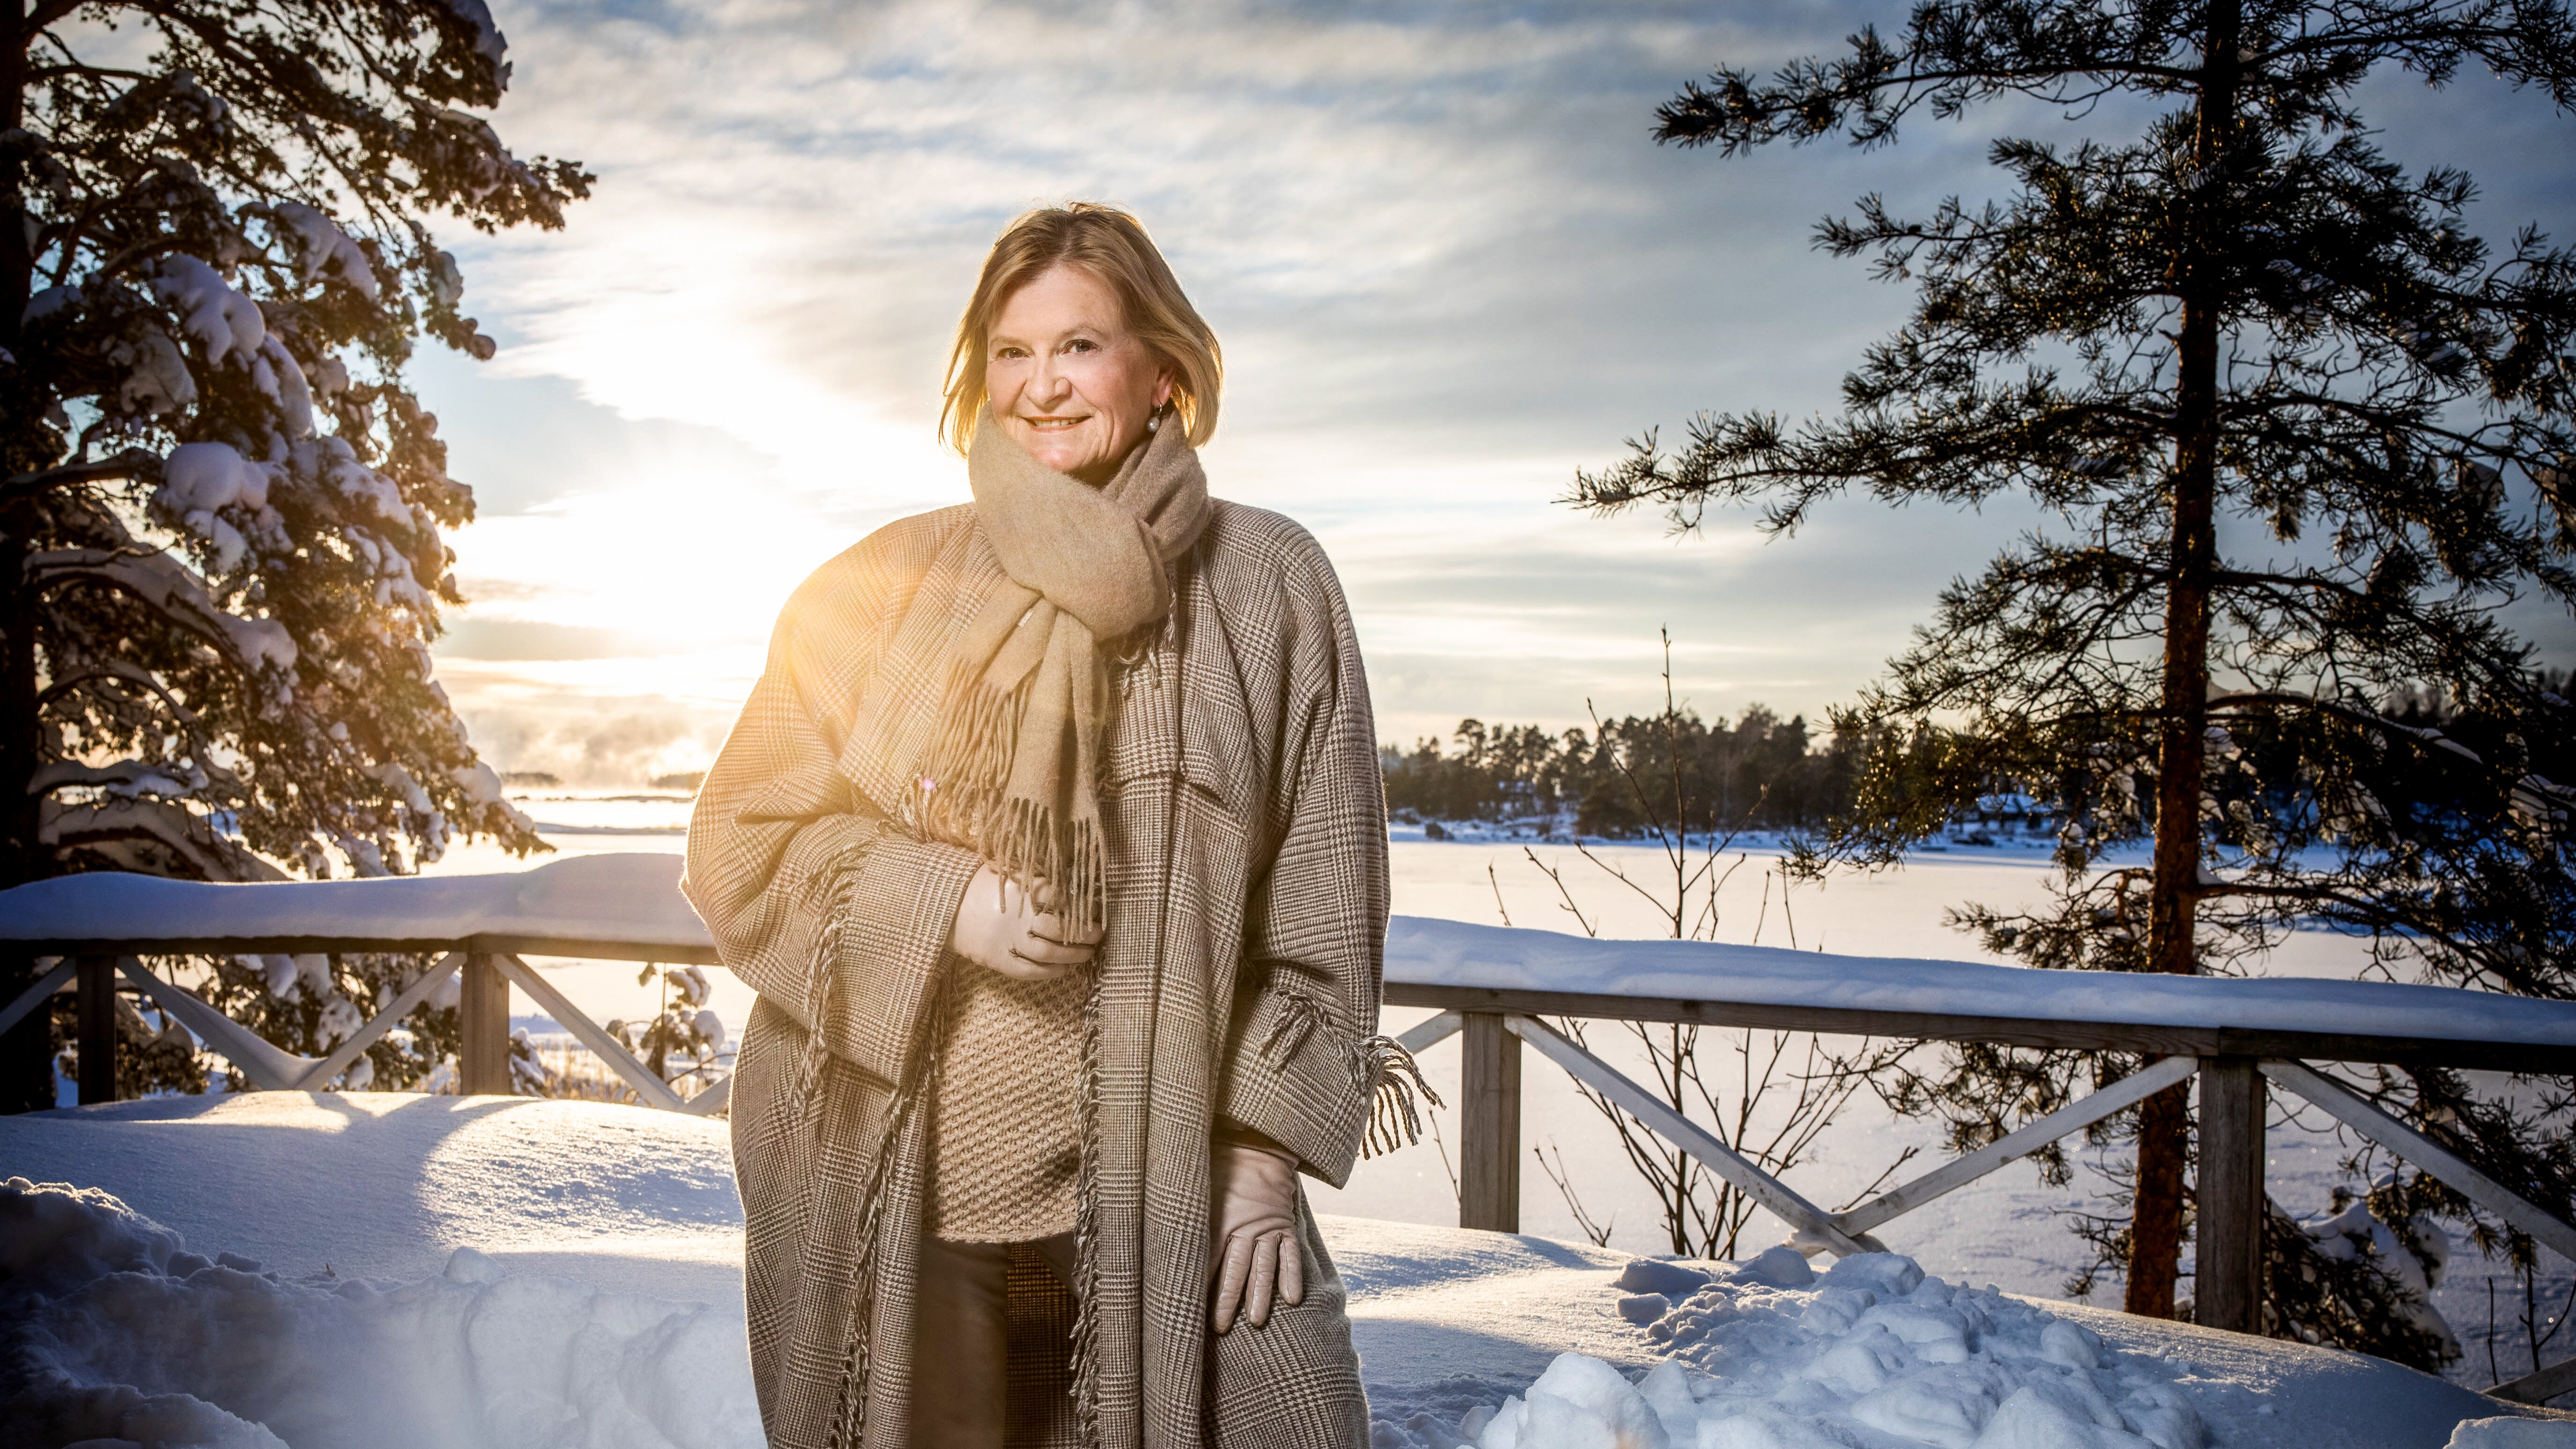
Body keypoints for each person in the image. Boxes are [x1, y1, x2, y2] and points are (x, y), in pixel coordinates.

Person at [684, 203, 1429, 1449]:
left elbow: (1321, 901)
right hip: (907, 1203)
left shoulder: (1267, 584)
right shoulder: (883, 582)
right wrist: (943, 902)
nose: (1040, 388)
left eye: (1078, 347)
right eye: (1011, 352)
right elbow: (743, 843)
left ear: (1163, 370)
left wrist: (1262, 1155)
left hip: (1163, 1192)